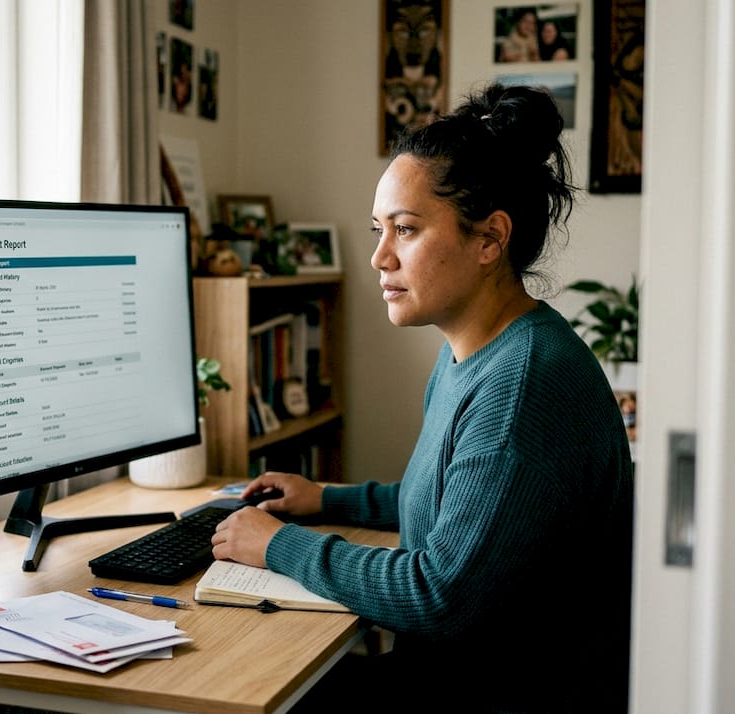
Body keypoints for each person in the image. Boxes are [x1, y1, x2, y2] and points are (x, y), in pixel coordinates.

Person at [211, 83, 634, 712]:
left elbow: (438, 594)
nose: (379, 256)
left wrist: (276, 545)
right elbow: (450, 503)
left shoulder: (522, 386)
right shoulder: (478, 348)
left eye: (405, 230)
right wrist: (327, 498)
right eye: (379, 229)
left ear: (490, 240)